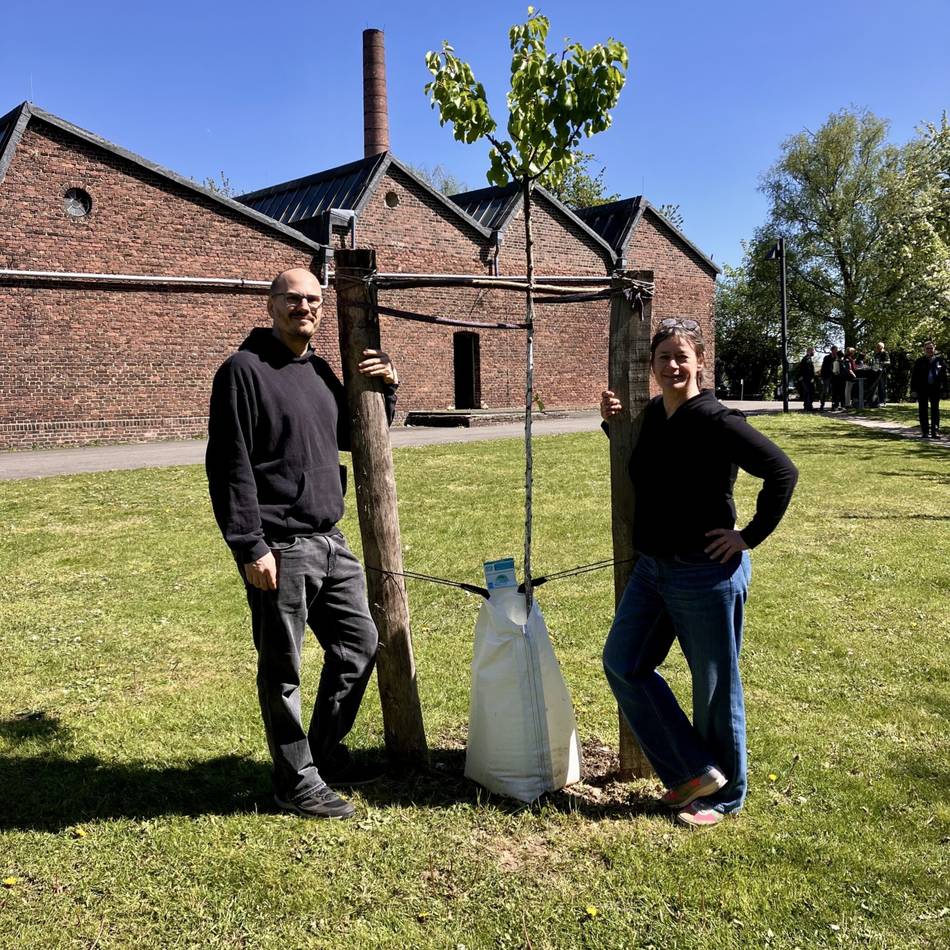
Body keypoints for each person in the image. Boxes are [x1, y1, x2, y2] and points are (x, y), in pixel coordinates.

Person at [206, 267, 399, 820]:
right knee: (282, 668)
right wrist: (250, 545)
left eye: (313, 299)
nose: (304, 308)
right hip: (279, 546)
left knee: (360, 644)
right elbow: (229, 465)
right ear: (270, 305)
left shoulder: (317, 369)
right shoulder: (243, 370)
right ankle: (294, 781)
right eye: (292, 299)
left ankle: (323, 754)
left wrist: (386, 388)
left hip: (330, 541)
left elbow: (355, 435)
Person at [600, 318, 797, 828]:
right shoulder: (654, 414)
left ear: (701, 362)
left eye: (681, 356)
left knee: (713, 689)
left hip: (706, 574)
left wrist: (748, 536)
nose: (672, 366)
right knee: (623, 662)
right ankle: (693, 771)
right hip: (653, 570)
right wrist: (613, 424)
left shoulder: (715, 419)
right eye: (663, 357)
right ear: (652, 365)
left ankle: (725, 797)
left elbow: (782, 471)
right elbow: (654, 468)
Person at [910, 341, 948, 439]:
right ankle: (925, 432)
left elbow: (944, 377)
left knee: (935, 410)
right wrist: (913, 390)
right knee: (923, 410)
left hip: (935, 389)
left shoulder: (940, 361)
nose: (929, 350)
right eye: (928, 348)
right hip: (922, 389)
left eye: (931, 348)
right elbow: (914, 377)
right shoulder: (919, 361)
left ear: (934, 349)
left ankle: (935, 432)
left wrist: (945, 390)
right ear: (924, 349)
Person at [819, 346, 839, 411]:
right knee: (825, 391)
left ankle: (834, 405)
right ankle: (822, 405)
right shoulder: (827, 357)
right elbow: (823, 367)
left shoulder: (837, 358)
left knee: (834, 391)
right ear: (832, 350)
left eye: (837, 350)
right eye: (835, 350)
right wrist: (822, 376)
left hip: (834, 377)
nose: (836, 351)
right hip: (826, 376)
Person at [797, 346, 816, 412]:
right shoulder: (806, 359)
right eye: (813, 351)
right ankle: (808, 406)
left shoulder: (808, 358)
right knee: (808, 392)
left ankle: (808, 406)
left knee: (808, 392)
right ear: (809, 351)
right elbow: (806, 369)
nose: (814, 352)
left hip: (807, 378)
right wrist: (810, 377)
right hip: (807, 378)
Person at [872, 342, 890, 407]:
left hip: (882, 372)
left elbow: (888, 362)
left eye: (878, 346)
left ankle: (883, 401)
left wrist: (881, 363)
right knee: (877, 387)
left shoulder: (885, 353)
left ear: (882, 347)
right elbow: (874, 361)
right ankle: (876, 401)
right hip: (876, 371)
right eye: (877, 346)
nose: (877, 348)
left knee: (882, 386)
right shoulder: (876, 354)